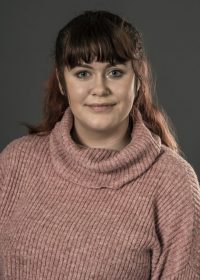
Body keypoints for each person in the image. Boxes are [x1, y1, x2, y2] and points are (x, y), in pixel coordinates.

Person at [0, 9, 199, 280]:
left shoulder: (172, 182)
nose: (100, 88)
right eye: (83, 74)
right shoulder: (16, 162)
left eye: (115, 72)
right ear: (61, 81)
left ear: (137, 80)